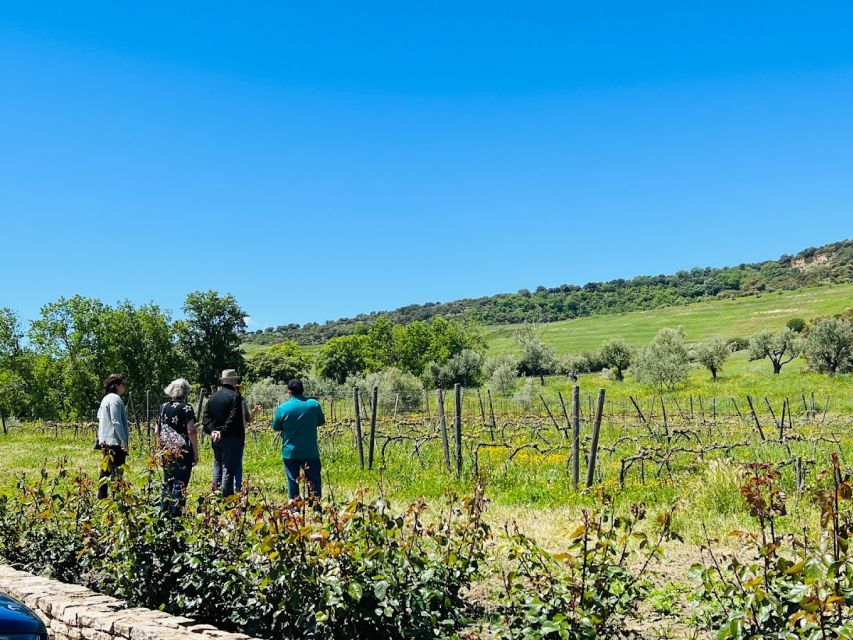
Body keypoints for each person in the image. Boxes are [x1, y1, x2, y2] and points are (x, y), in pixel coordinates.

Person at [271, 379, 325, 499]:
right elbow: (321, 421)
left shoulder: (283, 408)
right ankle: (315, 505)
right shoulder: (313, 405)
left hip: (290, 451)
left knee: (293, 481)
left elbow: (276, 427)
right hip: (310, 450)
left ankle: (295, 507)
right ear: (302, 390)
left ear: (289, 392)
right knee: (314, 480)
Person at [156, 378, 199, 516]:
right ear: (186, 392)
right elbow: (191, 431)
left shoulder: (163, 407)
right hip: (183, 451)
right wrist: (195, 452)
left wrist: (160, 447)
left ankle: (164, 511)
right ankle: (176, 514)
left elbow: (157, 430)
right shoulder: (187, 408)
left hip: (166, 450)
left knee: (167, 481)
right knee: (180, 483)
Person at [202, 369, 248, 497]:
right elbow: (234, 418)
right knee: (228, 470)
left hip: (216, 438)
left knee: (217, 466)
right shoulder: (235, 397)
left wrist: (213, 431)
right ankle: (227, 499)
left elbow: (206, 418)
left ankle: (215, 495)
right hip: (232, 438)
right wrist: (222, 431)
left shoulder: (213, 397)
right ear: (234, 381)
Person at [96, 373, 130, 500]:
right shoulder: (116, 399)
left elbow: (99, 417)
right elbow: (116, 421)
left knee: (105, 470)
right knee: (117, 471)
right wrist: (123, 440)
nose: (124, 387)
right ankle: (117, 498)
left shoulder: (105, 399)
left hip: (104, 441)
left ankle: (102, 497)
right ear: (117, 385)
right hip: (115, 441)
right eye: (123, 384)